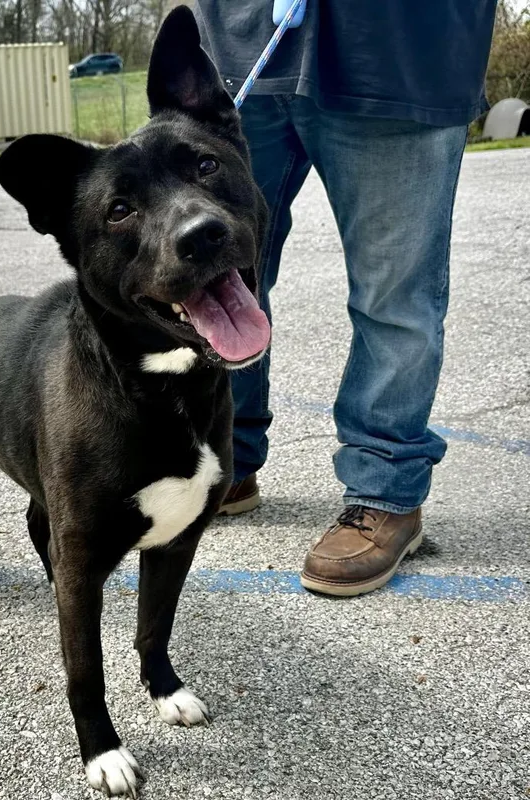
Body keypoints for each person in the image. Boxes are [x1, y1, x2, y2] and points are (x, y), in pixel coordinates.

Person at [194, 0, 498, 595]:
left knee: (394, 297)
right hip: (240, 45)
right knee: (216, 277)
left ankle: (385, 490)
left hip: (398, 52)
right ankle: (227, 461)